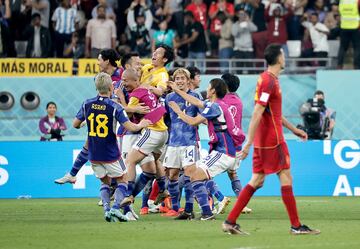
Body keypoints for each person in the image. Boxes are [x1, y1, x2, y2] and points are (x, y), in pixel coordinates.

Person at [222, 44, 320, 235]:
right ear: (279, 58)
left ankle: (230, 221)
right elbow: (258, 111)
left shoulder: (269, 79)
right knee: (285, 176)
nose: (285, 57)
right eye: (283, 54)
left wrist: (294, 129)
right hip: (272, 140)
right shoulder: (268, 81)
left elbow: (272, 112)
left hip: (266, 139)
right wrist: (248, 142)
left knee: (257, 180)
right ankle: (296, 225)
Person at [73, 72, 151, 222]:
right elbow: (130, 127)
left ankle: (107, 210)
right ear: (110, 86)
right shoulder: (114, 106)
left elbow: (75, 124)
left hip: (94, 152)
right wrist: (142, 124)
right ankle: (116, 208)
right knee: (123, 180)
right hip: (110, 151)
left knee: (105, 183)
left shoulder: (87, 103)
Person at [168, 78, 245, 220]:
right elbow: (197, 102)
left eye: (209, 87)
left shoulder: (215, 107)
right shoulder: (216, 104)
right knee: (196, 177)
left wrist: (178, 110)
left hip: (223, 152)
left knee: (195, 176)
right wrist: (177, 91)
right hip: (225, 151)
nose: (207, 89)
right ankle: (207, 211)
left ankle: (207, 212)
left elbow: (192, 121)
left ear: (213, 90)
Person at [162, 68, 200, 218]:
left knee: (190, 175)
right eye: (177, 78)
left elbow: (199, 117)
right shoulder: (169, 97)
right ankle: (176, 208)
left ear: (188, 80)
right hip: (173, 142)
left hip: (189, 141)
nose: (179, 81)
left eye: (182, 78)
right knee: (172, 175)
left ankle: (189, 209)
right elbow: (167, 117)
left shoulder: (195, 96)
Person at [337, 0, 360, 69]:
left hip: (344, 26)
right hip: (356, 27)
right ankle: (356, 66)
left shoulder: (342, 1)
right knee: (357, 47)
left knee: (343, 47)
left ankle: (339, 65)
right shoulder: (357, 1)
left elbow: (340, 12)